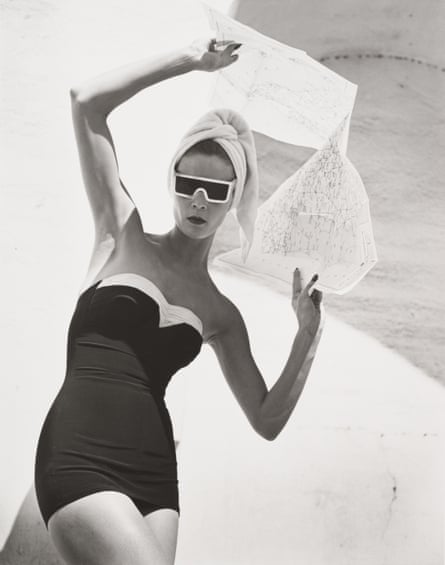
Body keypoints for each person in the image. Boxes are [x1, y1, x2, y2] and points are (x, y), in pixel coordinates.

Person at [33, 37, 323, 565]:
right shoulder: (121, 232)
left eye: (216, 191)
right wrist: (191, 61)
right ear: (172, 182)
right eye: (189, 183)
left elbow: (266, 418)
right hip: (79, 453)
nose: (199, 200)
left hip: (155, 477)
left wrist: (308, 336)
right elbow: (86, 102)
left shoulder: (219, 313)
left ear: (234, 198)